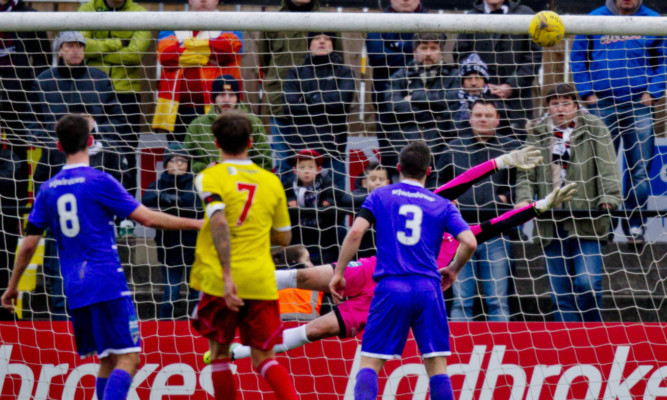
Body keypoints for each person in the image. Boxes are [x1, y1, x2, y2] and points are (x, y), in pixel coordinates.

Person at [229, 182, 575, 362]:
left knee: (318, 328)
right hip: (374, 269)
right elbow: (460, 183)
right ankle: (237, 280)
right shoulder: (428, 204)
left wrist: (540, 206)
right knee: (306, 277)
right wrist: (499, 162)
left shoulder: (459, 231)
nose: (449, 204)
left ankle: (243, 351)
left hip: (391, 296)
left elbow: (500, 222)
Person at [1, 114, 203, 400]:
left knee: (107, 359)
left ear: (59, 145)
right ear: (92, 142)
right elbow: (147, 218)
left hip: (74, 287)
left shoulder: (47, 189)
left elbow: (28, 243)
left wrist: (12, 287)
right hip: (106, 282)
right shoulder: (100, 180)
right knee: (130, 358)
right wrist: (198, 224)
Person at [330, 141, 477, 400]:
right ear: (428, 171)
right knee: (437, 367)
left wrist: (339, 272)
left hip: (390, 287)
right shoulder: (441, 203)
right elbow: (470, 242)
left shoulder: (380, 195)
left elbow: (355, 232)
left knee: (371, 363)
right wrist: (453, 269)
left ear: (398, 168)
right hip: (428, 289)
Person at [189, 110, 298, 400]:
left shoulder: (207, 177)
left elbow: (219, 220)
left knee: (220, 354)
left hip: (220, 280)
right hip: (261, 279)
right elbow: (285, 237)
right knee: (265, 357)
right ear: (251, 142)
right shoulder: (272, 181)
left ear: (215, 143)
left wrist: (226, 276)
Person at [515, 83, 622, 322]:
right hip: (550, 223)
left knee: (587, 283)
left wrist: (609, 197)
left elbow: (608, 166)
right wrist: (523, 200)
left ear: (576, 105)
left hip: (587, 219)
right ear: (548, 107)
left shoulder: (595, 127)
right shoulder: (537, 132)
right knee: (560, 294)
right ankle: (568, 348)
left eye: (566, 103)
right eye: (555, 103)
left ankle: (593, 333)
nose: (561, 109)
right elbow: (525, 173)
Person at [570, 0, 665, 243]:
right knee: (602, 168)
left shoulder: (655, 20)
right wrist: (587, 93)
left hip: (639, 106)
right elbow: (578, 57)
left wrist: (653, 92)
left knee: (640, 170)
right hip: (602, 104)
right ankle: (604, 225)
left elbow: (665, 60)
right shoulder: (593, 18)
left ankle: (635, 225)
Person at [33, 112, 129, 320]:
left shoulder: (109, 150)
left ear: (95, 123)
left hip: (95, 227)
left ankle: (92, 318)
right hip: (61, 227)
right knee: (59, 273)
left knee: (93, 275)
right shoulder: (53, 155)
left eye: (88, 117)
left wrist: (121, 218)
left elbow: (124, 181)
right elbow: (38, 178)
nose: (85, 121)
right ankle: (61, 317)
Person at [432, 98, 521, 322]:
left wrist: (506, 198)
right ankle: (456, 352)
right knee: (462, 301)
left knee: (497, 300)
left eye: (488, 115)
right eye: (478, 115)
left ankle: (503, 350)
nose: (482, 119)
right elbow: (437, 185)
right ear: (470, 118)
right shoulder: (453, 148)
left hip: (496, 233)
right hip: (460, 234)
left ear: (498, 119)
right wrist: (448, 202)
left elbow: (522, 184)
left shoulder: (511, 149)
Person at [258, 0, 343, 182]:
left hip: (321, 115)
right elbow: (264, 61)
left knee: (325, 169)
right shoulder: (272, 21)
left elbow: (339, 61)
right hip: (282, 106)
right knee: (284, 164)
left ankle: (325, 209)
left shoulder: (328, 20)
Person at [78, 0, 151, 195]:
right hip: (91, 92)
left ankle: (127, 217)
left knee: (126, 155)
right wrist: (118, 44)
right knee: (89, 152)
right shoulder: (87, 9)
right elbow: (82, 48)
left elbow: (134, 55)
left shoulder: (140, 13)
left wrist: (97, 52)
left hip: (126, 94)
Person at [25, 32, 131, 156]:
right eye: (70, 46)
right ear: (59, 51)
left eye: (80, 46)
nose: (76, 50)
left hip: (95, 152)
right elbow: (30, 122)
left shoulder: (100, 79)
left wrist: (95, 128)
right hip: (55, 154)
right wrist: (50, 141)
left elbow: (119, 120)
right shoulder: (43, 81)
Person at [152, 0, 243, 142]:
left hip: (218, 109)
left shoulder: (230, 22)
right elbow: (165, 56)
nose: (203, 0)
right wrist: (209, 56)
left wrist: (185, 48)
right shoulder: (172, 23)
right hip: (177, 110)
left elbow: (227, 51)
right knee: (179, 158)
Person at [455, 0, 542, 135]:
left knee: (517, 148)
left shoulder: (526, 14)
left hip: (517, 103)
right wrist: (482, 84)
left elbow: (534, 56)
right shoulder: (470, 17)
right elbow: (461, 55)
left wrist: (512, 85)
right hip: (481, 104)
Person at [283, 32, 355, 190]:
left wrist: (309, 98)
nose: (322, 42)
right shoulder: (296, 73)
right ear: (309, 43)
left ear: (333, 44)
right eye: (317, 38)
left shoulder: (344, 73)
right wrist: (326, 102)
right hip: (301, 151)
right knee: (297, 206)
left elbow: (341, 102)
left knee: (334, 206)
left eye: (327, 38)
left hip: (333, 151)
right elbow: (289, 105)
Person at [141, 143, 202, 319]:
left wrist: (177, 201)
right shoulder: (158, 184)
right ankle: (164, 325)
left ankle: (196, 326)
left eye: (183, 161)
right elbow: (146, 201)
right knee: (171, 293)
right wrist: (163, 198)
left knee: (196, 292)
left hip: (194, 247)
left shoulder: (196, 183)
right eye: (173, 160)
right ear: (166, 164)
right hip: (169, 248)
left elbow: (197, 203)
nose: (178, 164)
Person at [386, 32, 458, 179]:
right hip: (405, 153)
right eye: (424, 48)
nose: (428, 53)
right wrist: (434, 110)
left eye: (433, 48)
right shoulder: (399, 77)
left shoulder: (453, 76)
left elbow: (452, 103)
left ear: (441, 52)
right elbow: (394, 107)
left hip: (440, 155)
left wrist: (414, 97)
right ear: (414, 52)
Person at [366, 0, 426, 170]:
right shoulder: (378, 22)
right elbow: (377, 56)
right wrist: (410, 49)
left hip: (423, 104)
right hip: (386, 104)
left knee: (422, 162)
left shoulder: (432, 22)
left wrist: (394, 47)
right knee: (391, 162)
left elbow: (430, 55)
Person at [185, 74, 271, 174]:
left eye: (231, 95)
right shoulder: (197, 125)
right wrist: (205, 168)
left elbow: (265, 161)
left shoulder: (253, 123)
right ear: (214, 97)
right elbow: (185, 160)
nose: (226, 99)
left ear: (237, 98)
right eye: (221, 94)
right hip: (208, 184)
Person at [284, 149, 339, 265]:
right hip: (300, 226)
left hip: (319, 225)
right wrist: (290, 200)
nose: (306, 171)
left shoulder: (326, 182)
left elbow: (334, 194)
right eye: (302, 168)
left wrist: (327, 201)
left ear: (318, 169)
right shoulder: (291, 184)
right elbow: (286, 194)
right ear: (295, 170)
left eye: (310, 167)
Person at [0, 140, 27, 321]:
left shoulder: (10, 157)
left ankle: (4, 311)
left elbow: (9, 181)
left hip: (4, 224)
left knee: (4, 268)